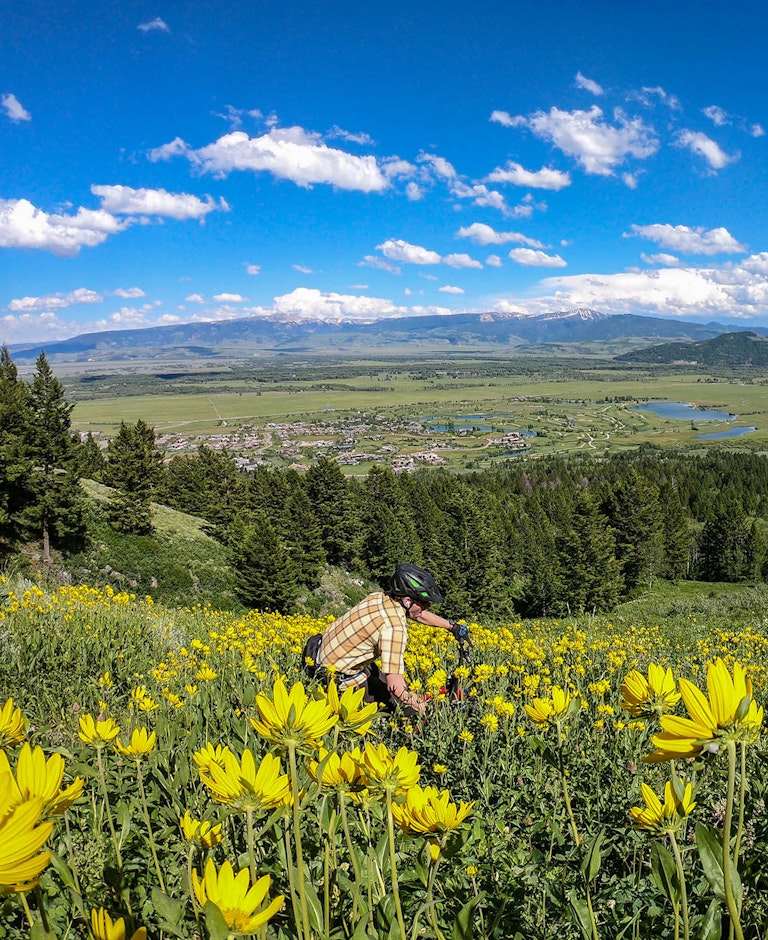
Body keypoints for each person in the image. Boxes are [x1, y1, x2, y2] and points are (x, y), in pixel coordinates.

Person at [302, 563, 469, 715]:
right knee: (398, 706)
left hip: (322, 656)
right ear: (407, 600)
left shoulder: (379, 597)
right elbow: (395, 685)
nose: (427, 607)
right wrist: (424, 709)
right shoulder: (393, 627)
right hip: (338, 678)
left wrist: (451, 626)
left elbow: (417, 614)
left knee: (385, 682)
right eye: (424, 603)